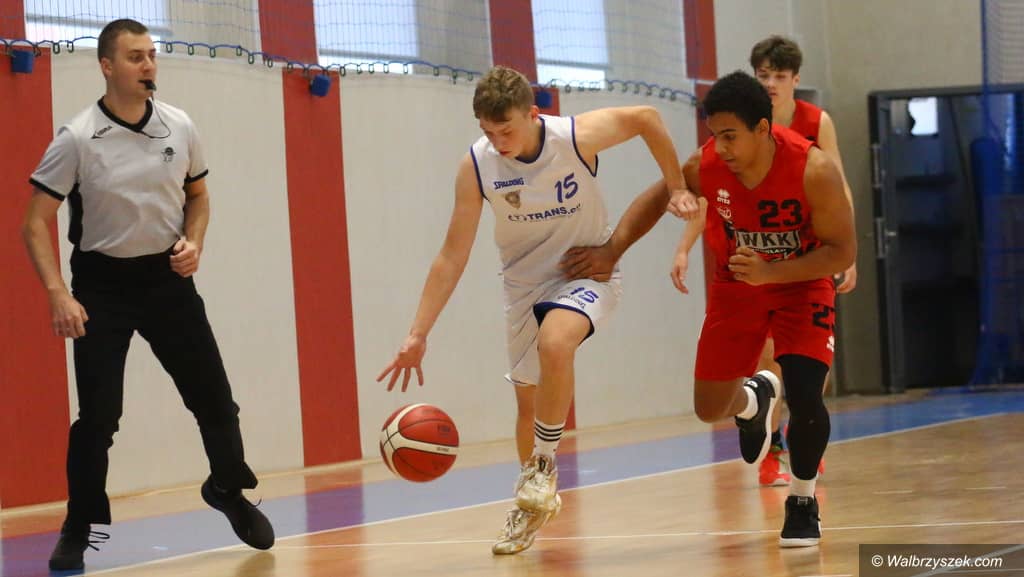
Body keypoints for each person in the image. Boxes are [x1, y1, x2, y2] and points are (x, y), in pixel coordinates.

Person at [376, 65, 698, 555]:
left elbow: (647, 118)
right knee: (528, 404)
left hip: (586, 274)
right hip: (523, 287)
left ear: (532, 113)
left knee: (556, 339)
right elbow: (451, 255)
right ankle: (531, 505)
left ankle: (544, 468)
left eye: (506, 129)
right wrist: (418, 333)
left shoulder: (573, 137)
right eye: (488, 131)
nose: (498, 141)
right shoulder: (477, 166)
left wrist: (676, 186)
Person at [21, 19, 274, 571]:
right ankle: (79, 524)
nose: (148, 65)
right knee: (99, 418)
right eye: (135, 57)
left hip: (167, 282)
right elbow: (34, 222)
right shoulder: (78, 137)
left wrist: (195, 242)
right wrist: (58, 293)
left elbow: (199, 196)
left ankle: (227, 489)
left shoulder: (179, 125)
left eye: (152, 55)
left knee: (215, 399)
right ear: (106, 66)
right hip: (101, 286)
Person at [669, 70, 856, 546]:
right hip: (737, 284)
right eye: (714, 135)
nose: (721, 146)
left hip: (800, 282)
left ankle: (802, 500)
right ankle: (753, 400)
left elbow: (842, 252)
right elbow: (665, 192)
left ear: (762, 128)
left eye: (730, 135)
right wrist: (613, 250)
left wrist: (773, 272)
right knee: (709, 408)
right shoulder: (706, 164)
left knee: (806, 393)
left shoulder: (814, 169)